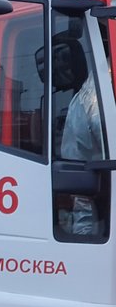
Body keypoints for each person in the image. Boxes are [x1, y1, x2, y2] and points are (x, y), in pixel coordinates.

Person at [55, 36, 104, 236]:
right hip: (82, 195)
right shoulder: (88, 95)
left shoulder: (92, 94)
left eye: (64, 59)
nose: (58, 67)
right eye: (56, 60)